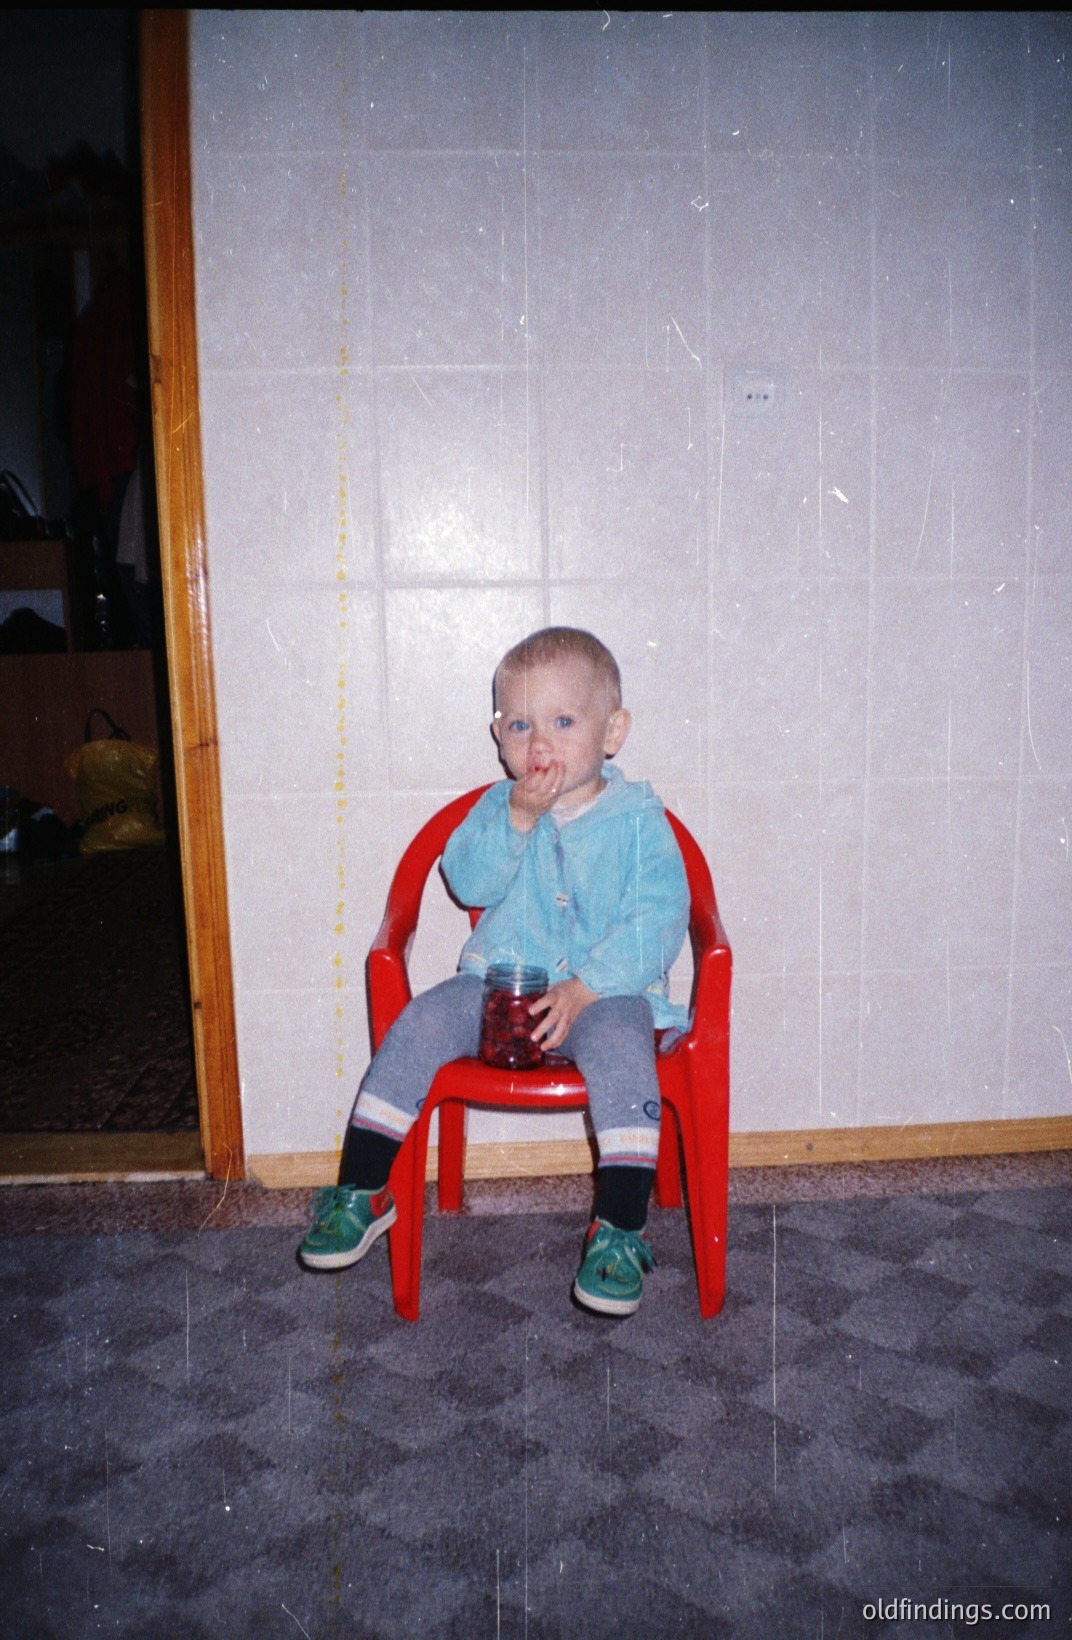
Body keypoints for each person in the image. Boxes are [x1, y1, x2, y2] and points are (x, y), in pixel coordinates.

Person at [299, 626, 689, 1316]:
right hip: (498, 986)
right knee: (420, 1020)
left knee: (625, 1054)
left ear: (612, 732)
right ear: (498, 736)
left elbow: (658, 916)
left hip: (603, 994)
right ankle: (364, 1189)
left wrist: (589, 985)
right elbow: (468, 880)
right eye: (520, 725)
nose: (540, 744)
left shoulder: (638, 822)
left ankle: (619, 1229)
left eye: (564, 722)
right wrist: (516, 819)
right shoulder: (495, 807)